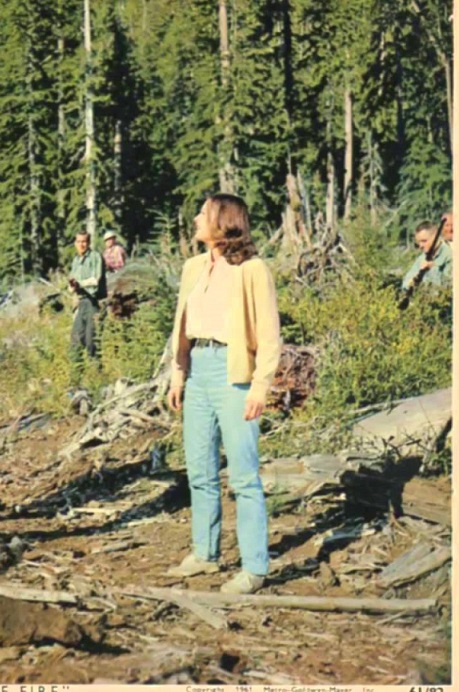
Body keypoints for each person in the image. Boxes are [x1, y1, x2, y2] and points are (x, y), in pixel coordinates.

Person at [165, 193, 282, 595]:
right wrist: (177, 374)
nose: (196, 217)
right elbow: (181, 325)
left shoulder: (253, 270)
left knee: (244, 476)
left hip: (235, 375)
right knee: (199, 469)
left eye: (204, 212)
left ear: (223, 222)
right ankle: (205, 552)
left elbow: (269, 334)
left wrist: (261, 386)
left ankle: (254, 567)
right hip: (198, 370)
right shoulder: (193, 267)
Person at [68, 231, 106, 358]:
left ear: (89, 243)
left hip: (93, 301)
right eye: (78, 242)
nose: (81, 245)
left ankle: (96, 371)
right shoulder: (76, 261)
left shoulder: (95, 257)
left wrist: (80, 284)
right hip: (80, 302)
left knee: (91, 341)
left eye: (84, 241)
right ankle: (77, 373)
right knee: (76, 339)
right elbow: (72, 283)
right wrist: (72, 287)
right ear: (75, 243)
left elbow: (96, 280)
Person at [401, 221, 453, 291]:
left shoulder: (449, 256)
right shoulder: (422, 258)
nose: (420, 246)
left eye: (424, 241)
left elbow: (447, 287)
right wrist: (413, 281)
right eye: (419, 242)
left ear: (436, 238)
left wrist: (432, 269)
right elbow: (405, 284)